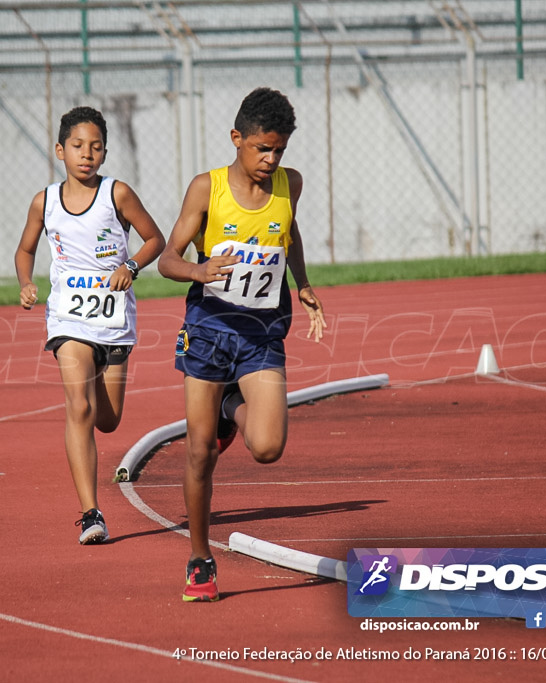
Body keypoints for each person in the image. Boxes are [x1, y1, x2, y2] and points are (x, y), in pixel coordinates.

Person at [157, 87, 327, 601]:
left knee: (268, 448)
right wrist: (198, 268)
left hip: (261, 332)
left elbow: (288, 233)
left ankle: (234, 403)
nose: (270, 160)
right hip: (209, 329)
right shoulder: (206, 189)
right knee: (198, 453)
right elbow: (167, 259)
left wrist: (303, 284)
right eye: (261, 149)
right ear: (237, 139)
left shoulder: (288, 184)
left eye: (279, 150)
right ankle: (200, 559)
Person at [15, 106, 165, 545]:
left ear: (105, 153)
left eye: (96, 147)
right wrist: (26, 283)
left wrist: (132, 266)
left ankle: (100, 388)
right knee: (77, 406)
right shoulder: (44, 202)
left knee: (108, 419)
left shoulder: (117, 194)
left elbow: (154, 238)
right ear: (60, 150)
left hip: (114, 321)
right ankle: (90, 513)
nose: (87, 155)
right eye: (78, 147)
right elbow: (25, 250)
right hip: (68, 320)